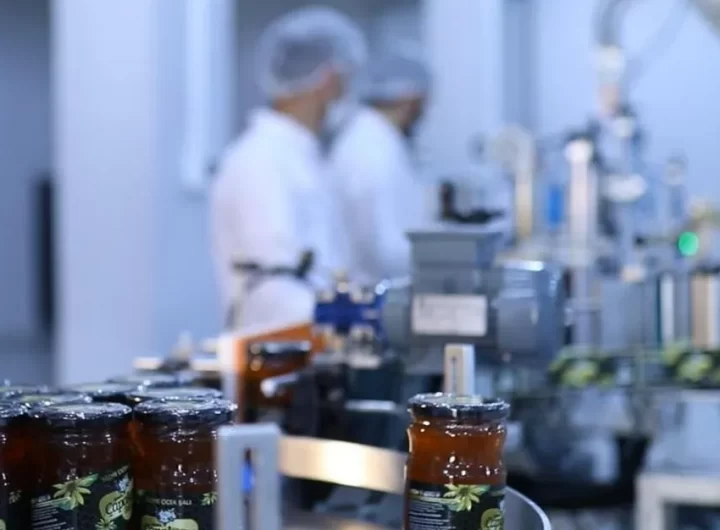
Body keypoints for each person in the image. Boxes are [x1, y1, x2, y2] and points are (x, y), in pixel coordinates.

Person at [211, 6, 367, 329]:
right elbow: (275, 290)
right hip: (279, 347)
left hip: (312, 342)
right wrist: (354, 320)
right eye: (345, 81)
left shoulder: (301, 156)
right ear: (327, 79)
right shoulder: (260, 161)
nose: (346, 94)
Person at [329, 51, 432, 285]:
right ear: (410, 97)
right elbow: (383, 249)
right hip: (374, 288)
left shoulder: (378, 139)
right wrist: (444, 260)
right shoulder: (370, 148)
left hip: (383, 284)